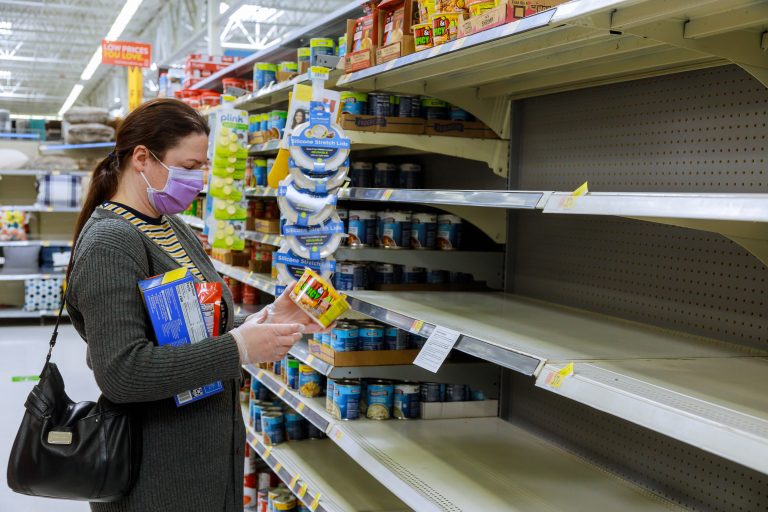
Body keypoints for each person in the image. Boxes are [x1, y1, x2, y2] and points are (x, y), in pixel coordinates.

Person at [66, 98, 322, 512]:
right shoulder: (110, 243)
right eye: (188, 167)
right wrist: (238, 348)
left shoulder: (172, 226)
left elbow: (197, 326)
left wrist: (265, 321)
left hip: (203, 462)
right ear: (143, 159)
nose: (200, 179)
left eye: (203, 166)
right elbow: (121, 373)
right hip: (156, 475)